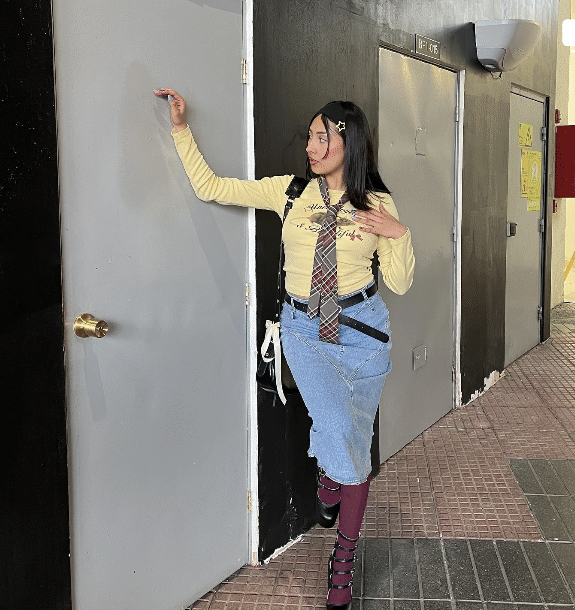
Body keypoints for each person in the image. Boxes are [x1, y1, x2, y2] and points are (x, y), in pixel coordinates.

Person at [156, 88, 414, 610]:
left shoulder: (378, 205)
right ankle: (337, 537)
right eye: (312, 137)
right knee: (342, 435)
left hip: (363, 332)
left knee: (352, 442)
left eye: (324, 138)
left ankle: (335, 511)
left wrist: (399, 232)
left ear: (350, 142)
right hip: (305, 332)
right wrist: (181, 128)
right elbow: (211, 188)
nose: (313, 147)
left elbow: (402, 283)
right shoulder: (290, 193)